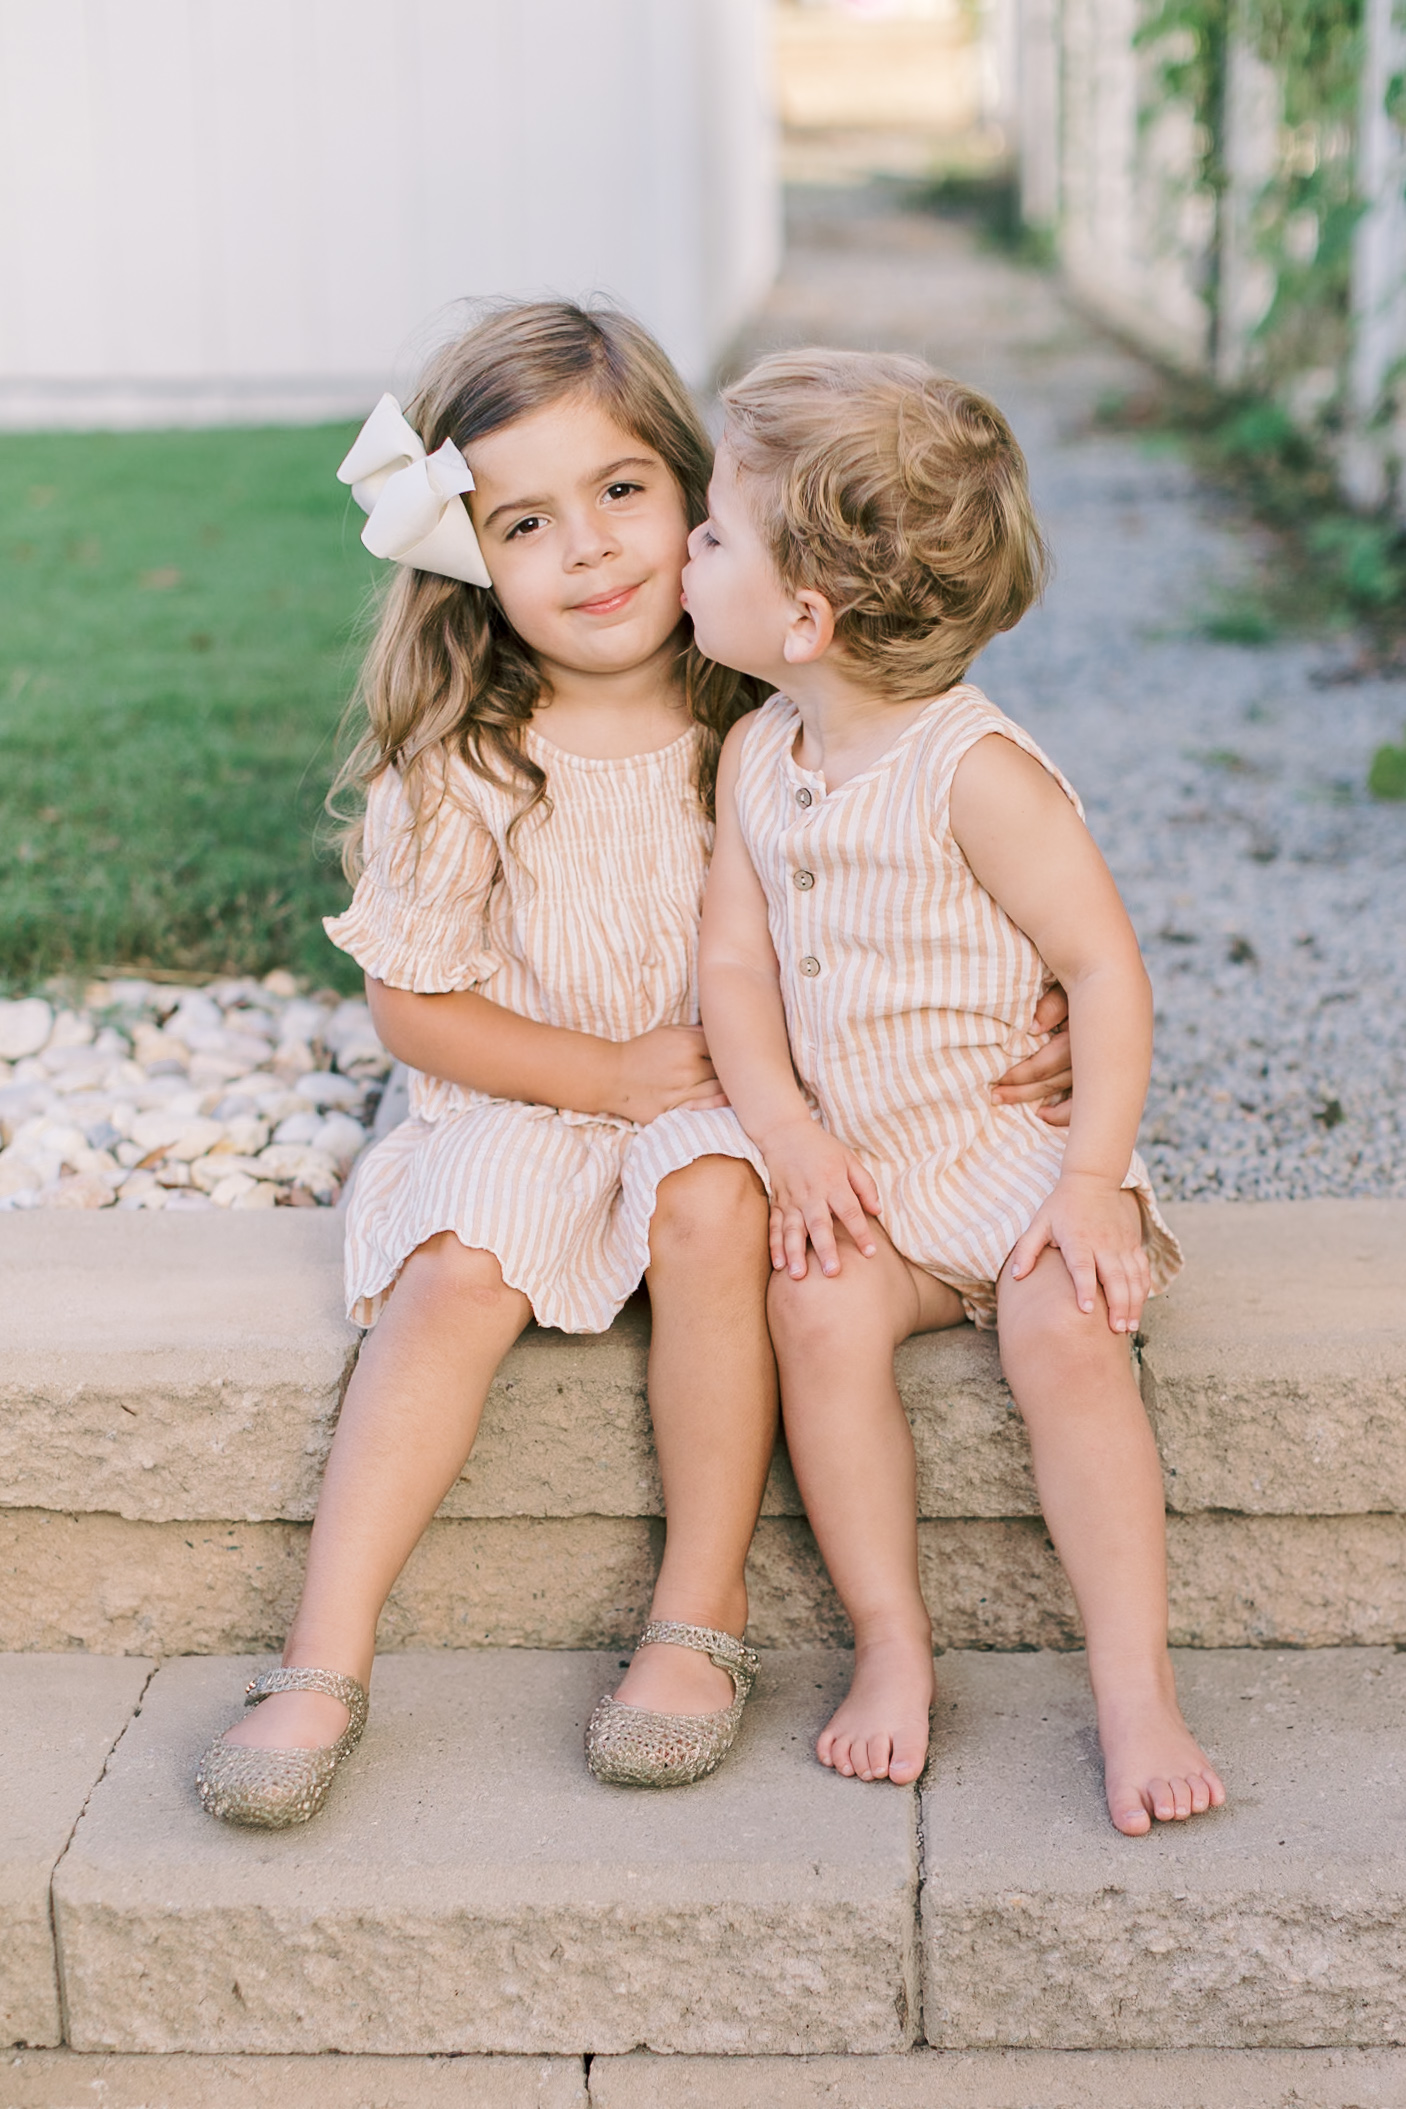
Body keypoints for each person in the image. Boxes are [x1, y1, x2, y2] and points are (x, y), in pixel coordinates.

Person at [194, 306, 1077, 1828]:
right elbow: (415, 1009)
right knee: (459, 1267)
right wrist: (595, 1075)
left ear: (697, 495)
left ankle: (697, 1606)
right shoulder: (468, 748)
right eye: (524, 521)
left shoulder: (769, 708)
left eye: (622, 492)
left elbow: (949, 860)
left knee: (722, 1207)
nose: (591, 551)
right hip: (531, 1090)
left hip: (733, 1106)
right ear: (466, 555)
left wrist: (1044, 995)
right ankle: (321, 1656)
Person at [691, 348, 1225, 1837]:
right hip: (861, 1170)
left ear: (806, 615)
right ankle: (891, 1642)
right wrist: (788, 1139)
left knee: (1066, 1329)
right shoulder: (757, 754)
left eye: (712, 532)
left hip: (1002, 1159)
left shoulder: (973, 771)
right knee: (815, 1310)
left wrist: (1088, 1180)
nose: (686, 544)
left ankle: (1133, 1688)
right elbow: (732, 970)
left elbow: (1103, 971)